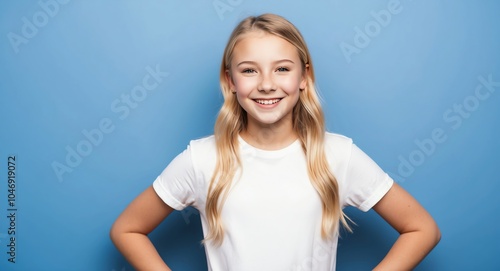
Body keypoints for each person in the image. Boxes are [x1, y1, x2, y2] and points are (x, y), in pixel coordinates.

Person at [110, 13, 441, 271]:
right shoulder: (202, 159)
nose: (267, 84)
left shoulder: (337, 156)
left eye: (282, 69)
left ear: (304, 79)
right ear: (230, 81)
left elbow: (422, 229)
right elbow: (127, 229)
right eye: (250, 71)